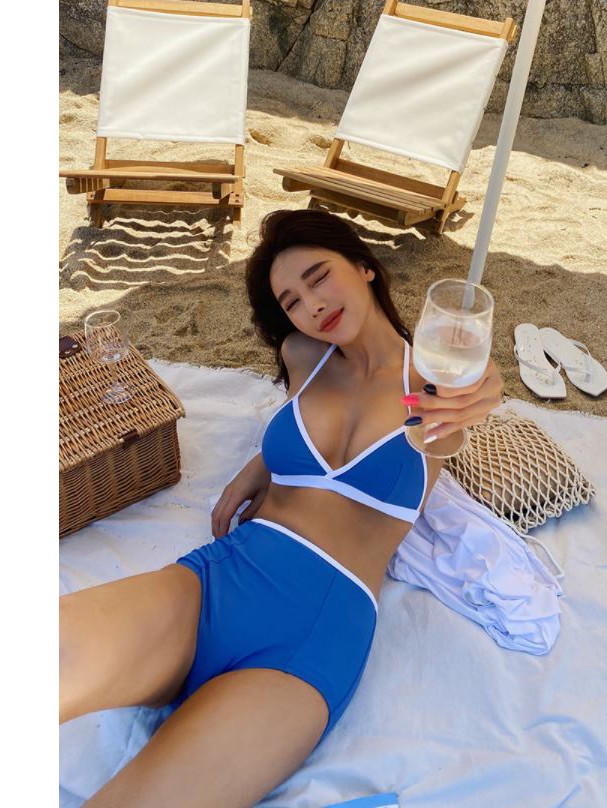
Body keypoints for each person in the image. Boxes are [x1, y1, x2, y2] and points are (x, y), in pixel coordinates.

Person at [60, 208, 504, 808]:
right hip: (216, 582)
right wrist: (261, 464)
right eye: (292, 301)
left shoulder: (437, 382)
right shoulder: (303, 354)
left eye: (320, 277)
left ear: (365, 266)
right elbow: (302, 428)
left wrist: (480, 386)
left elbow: (471, 401)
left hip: (307, 642)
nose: (313, 305)